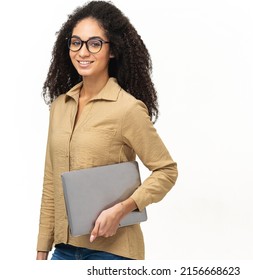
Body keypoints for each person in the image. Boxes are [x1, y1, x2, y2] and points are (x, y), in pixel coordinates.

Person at [36, 0, 178, 260]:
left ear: (112, 51)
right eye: (76, 42)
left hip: (113, 253)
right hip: (64, 250)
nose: (82, 52)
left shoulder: (127, 108)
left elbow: (166, 170)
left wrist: (123, 209)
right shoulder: (60, 106)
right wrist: (41, 249)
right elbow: (50, 180)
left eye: (94, 43)